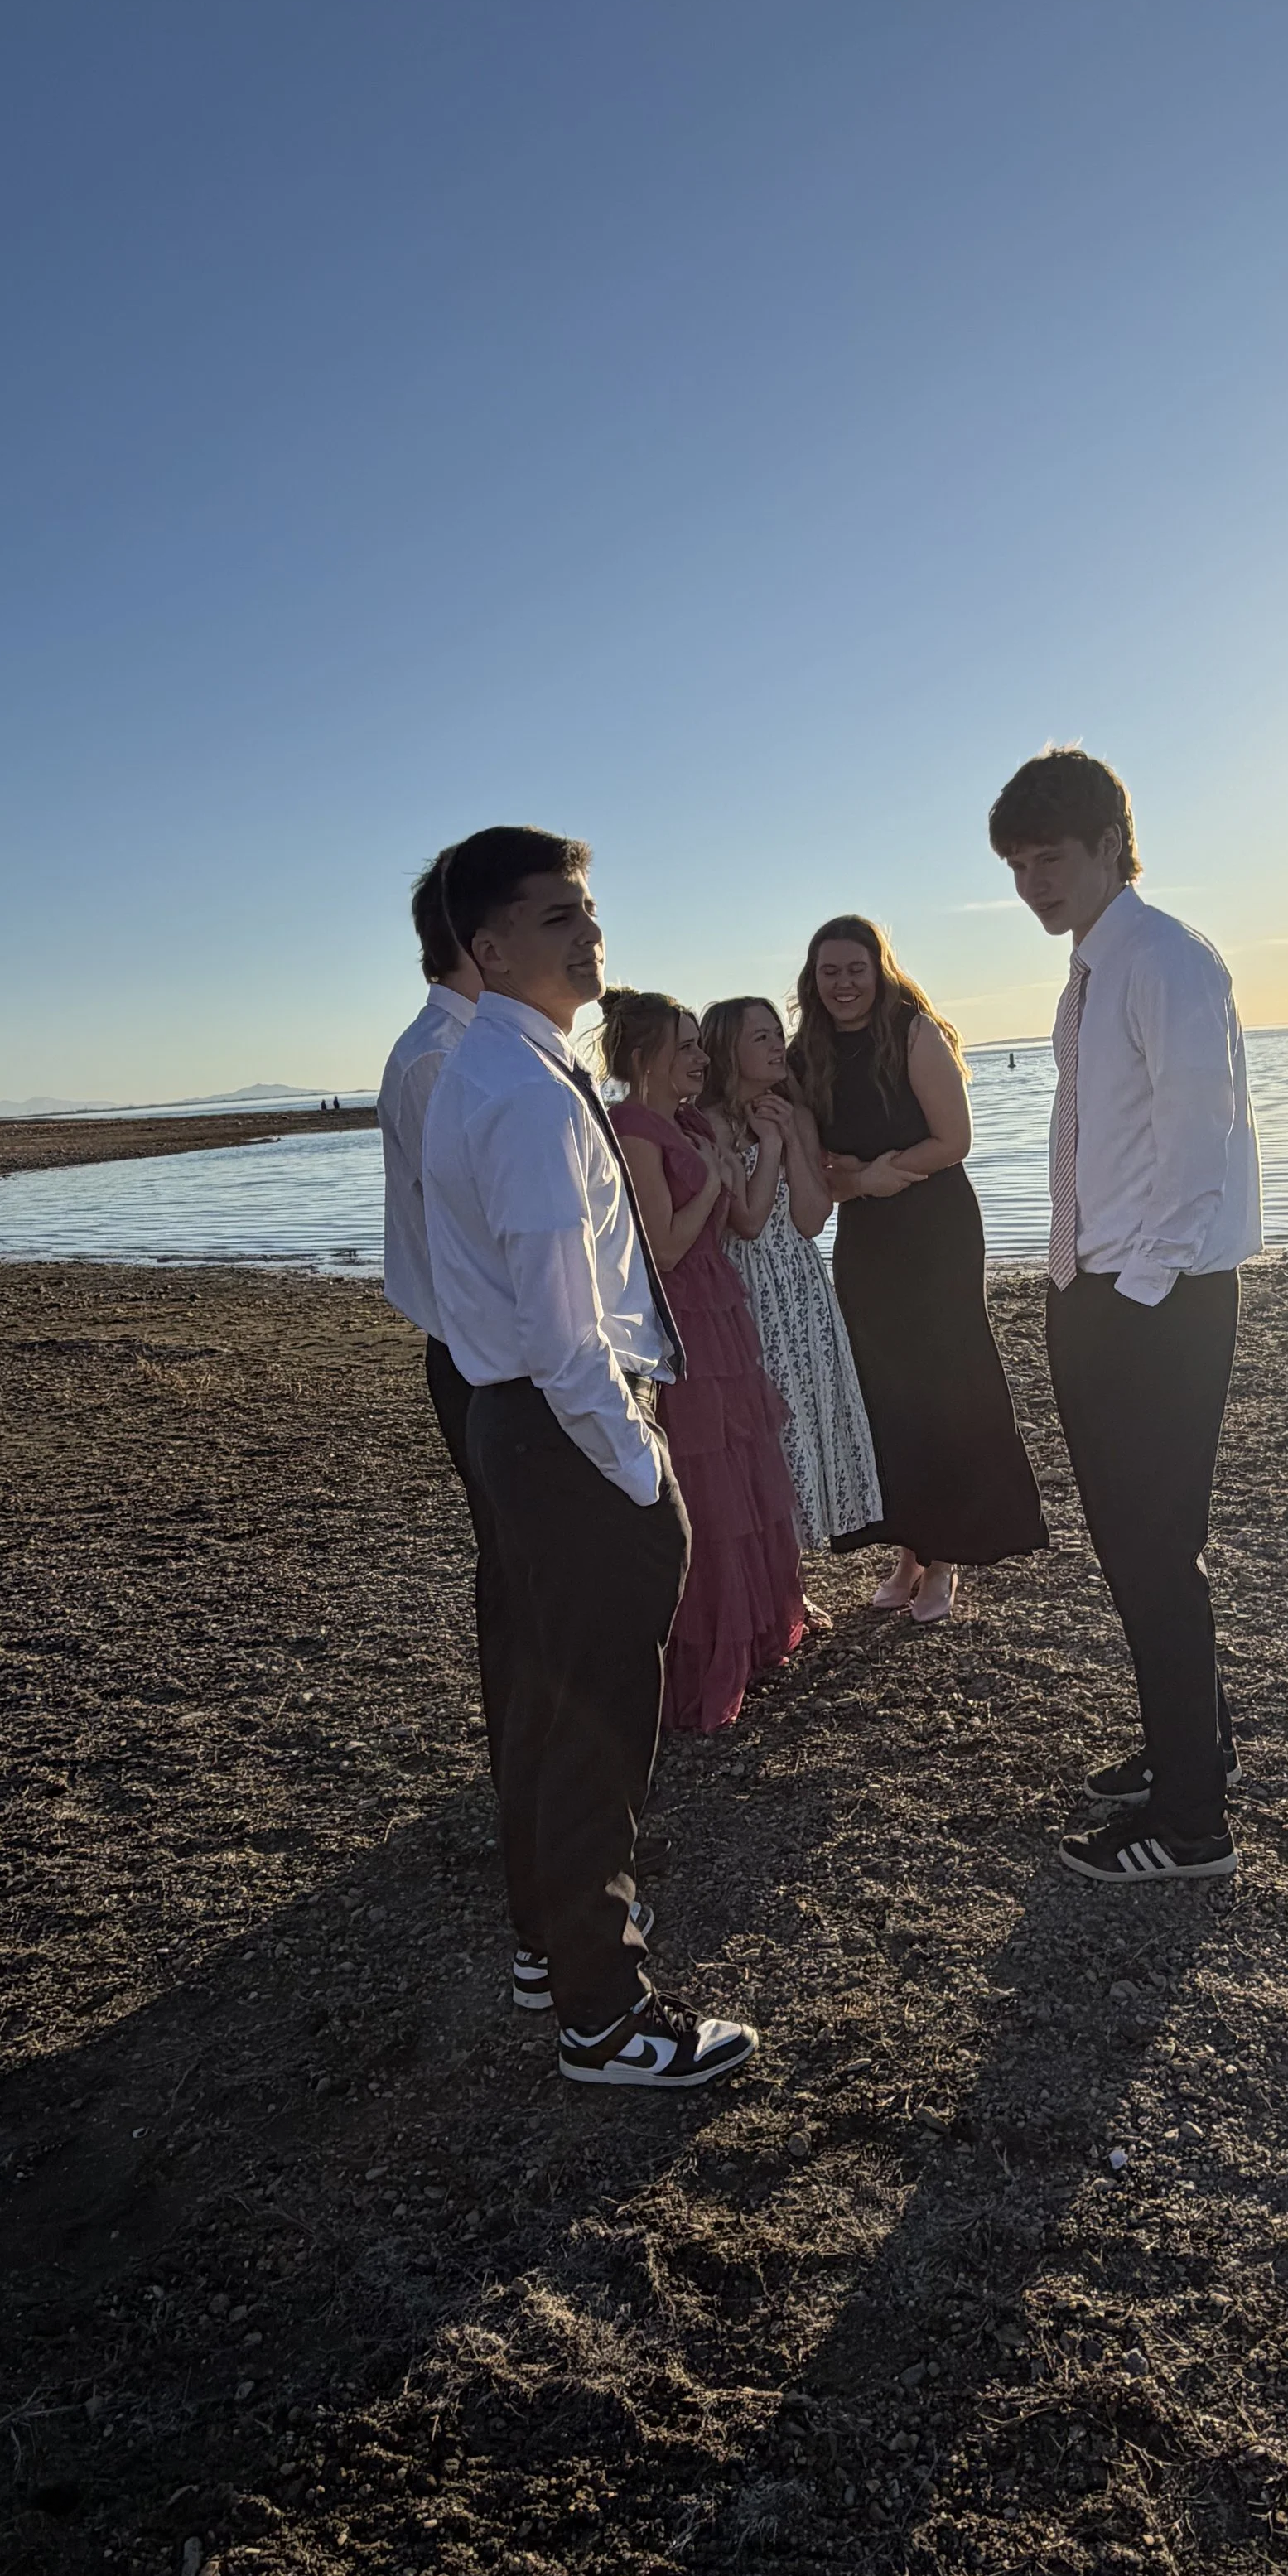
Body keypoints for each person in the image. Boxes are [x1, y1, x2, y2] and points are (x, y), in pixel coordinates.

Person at [422, 827, 756, 2089]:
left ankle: (555, 1954)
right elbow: (567, 1336)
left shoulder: (509, 1068)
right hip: (566, 1433)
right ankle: (606, 2017)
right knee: (598, 1729)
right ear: (488, 947)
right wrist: (640, 1467)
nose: (587, 930)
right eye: (555, 916)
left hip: (531, 1424)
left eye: (589, 907)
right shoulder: (514, 1094)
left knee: (562, 1714)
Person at [990, 745, 1261, 1886]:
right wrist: (1073, 1282)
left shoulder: (1162, 960)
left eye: (1051, 856)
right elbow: (1100, 1147)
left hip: (1158, 1301)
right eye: (1017, 863)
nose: (1034, 882)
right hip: (1101, 1292)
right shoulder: (1092, 973)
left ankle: (1192, 1826)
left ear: (1111, 844)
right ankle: (1184, 1750)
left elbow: (1201, 1150)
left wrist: (1134, 1296)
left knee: (1155, 1553)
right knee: (1135, 1549)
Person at [786, 915, 1046, 1622]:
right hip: (867, 1232)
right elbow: (814, 1163)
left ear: (879, 968)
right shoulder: (805, 1051)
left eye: (855, 968)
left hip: (935, 1229)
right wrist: (854, 1184)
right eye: (828, 971)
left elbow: (954, 1139)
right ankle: (907, 1550)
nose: (842, 983)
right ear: (813, 979)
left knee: (945, 1383)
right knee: (885, 1388)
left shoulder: (912, 1030)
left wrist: (878, 1172)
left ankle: (944, 1562)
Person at [605, 988, 808, 1730]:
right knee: (706, 1483)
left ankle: (755, 1631)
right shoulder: (633, 1129)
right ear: (642, 1057)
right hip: (681, 1318)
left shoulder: (688, 1122)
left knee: (744, 1470)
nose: (700, 1056)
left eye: (699, 1042)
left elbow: (749, 1222)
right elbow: (661, 1246)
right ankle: (701, 1652)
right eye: (685, 1046)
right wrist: (715, 1181)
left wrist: (772, 1150)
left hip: (722, 1310)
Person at [377, 852, 499, 1772]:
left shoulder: (478, 1049)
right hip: (482, 1354)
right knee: (520, 1566)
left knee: (539, 1567)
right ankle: (536, 1792)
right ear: (478, 938)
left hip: (500, 1349)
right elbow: (468, 1237)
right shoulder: (439, 1061)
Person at [698, 994, 882, 1575]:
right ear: (728, 1049)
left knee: (807, 1412)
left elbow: (811, 1218)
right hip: (745, 1287)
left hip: (800, 1284)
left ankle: (795, 1566)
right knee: (765, 1422)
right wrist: (764, 1147)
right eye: (761, 1037)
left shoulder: (795, 1113)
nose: (779, 1044)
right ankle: (775, 1574)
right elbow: (741, 1226)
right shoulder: (709, 1123)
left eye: (777, 1032)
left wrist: (788, 1140)